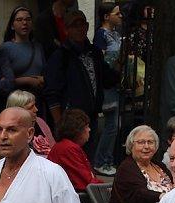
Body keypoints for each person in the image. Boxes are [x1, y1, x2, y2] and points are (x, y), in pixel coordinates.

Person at [45, 9, 119, 158]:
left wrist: (119, 66)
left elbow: (108, 80)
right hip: (70, 121)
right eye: (74, 25)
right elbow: (52, 92)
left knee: (87, 161)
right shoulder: (60, 56)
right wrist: (59, 122)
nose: (79, 28)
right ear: (66, 30)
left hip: (91, 118)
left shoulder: (95, 52)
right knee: (71, 162)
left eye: (82, 24)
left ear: (87, 26)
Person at [108, 125, 172, 203]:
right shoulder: (127, 168)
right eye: (141, 142)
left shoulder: (159, 166)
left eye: (150, 142)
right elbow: (138, 195)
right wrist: (160, 196)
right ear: (131, 145)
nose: (146, 146)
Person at [92, 2, 123, 176]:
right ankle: (101, 161)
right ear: (106, 17)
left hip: (116, 81)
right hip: (108, 83)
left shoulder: (116, 34)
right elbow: (102, 61)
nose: (120, 16)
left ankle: (107, 160)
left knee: (114, 124)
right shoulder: (101, 35)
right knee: (112, 124)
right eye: (116, 13)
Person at [46, 109, 102, 193]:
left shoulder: (66, 146)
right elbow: (85, 182)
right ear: (77, 129)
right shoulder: (68, 148)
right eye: (87, 126)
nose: (89, 130)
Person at [0, 7, 46, 100]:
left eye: (28, 19)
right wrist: (27, 81)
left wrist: (43, 79)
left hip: (37, 98)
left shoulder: (38, 47)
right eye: (19, 20)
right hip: (16, 99)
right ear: (12, 26)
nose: (24, 23)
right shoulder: (6, 48)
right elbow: (2, 81)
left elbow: (45, 71)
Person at [6, 89, 56, 155]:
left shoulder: (40, 122)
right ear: (18, 110)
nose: (36, 109)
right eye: (31, 107)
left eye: (35, 105)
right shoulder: (7, 130)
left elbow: (54, 149)